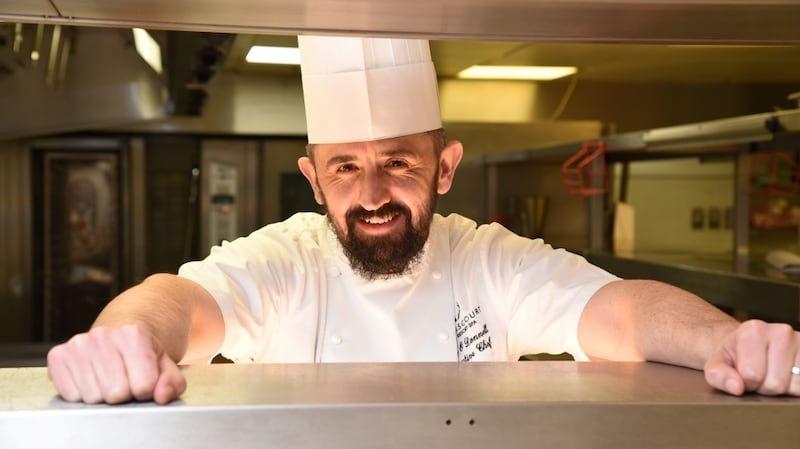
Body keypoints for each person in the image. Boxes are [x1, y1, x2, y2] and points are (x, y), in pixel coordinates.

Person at [47, 35, 800, 405]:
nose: (372, 189)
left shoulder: (489, 260)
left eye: (400, 161)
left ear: (444, 167)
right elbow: (176, 300)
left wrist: (724, 339)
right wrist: (126, 341)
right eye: (345, 165)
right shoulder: (285, 262)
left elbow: (625, 311)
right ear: (314, 179)